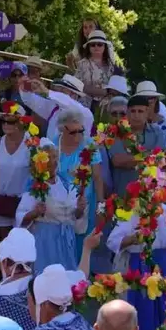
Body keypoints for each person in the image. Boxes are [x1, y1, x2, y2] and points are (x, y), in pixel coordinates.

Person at [108, 202, 166, 330]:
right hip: (138, 266)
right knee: (141, 311)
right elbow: (112, 242)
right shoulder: (130, 211)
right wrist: (133, 238)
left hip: (163, 267)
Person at [17, 143, 84, 275]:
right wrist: (35, 213)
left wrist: (80, 209)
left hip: (66, 241)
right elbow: (20, 215)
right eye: (47, 158)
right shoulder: (35, 187)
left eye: (54, 157)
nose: (52, 162)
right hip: (45, 240)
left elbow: (73, 215)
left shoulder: (66, 184)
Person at [55, 109, 105, 260]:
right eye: (73, 132)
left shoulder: (89, 145)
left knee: (81, 246)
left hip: (84, 204)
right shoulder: (53, 143)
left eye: (81, 131)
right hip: (60, 205)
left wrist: (100, 205)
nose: (78, 136)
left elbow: (97, 177)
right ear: (62, 129)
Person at [108, 95, 166, 193]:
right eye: (133, 111)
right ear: (127, 113)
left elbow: (159, 160)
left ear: (147, 113)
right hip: (123, 195)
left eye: (140, 111)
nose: (136, 115)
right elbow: (117, 161)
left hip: (150, 194)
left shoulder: (157, 132)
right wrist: (147, 155)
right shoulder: (116, 132)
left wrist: (131, 160)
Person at [0, 104, 33, 237]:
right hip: (3, 201)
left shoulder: (32, 143)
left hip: (24, 203)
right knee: (5, 243)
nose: (6, 124)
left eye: (11, 121)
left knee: (23, 244)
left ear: (20, 122)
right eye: (3, 121)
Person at [74, 29, 119, 102]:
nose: (96, 47)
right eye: (93, 44)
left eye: (100, 44)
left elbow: (116, 89)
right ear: (89, 47)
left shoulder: (111, 66)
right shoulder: (82, 64)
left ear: (105, 47)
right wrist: (104, 92)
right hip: (85, 104)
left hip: (106, 106)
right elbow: (77, 85)